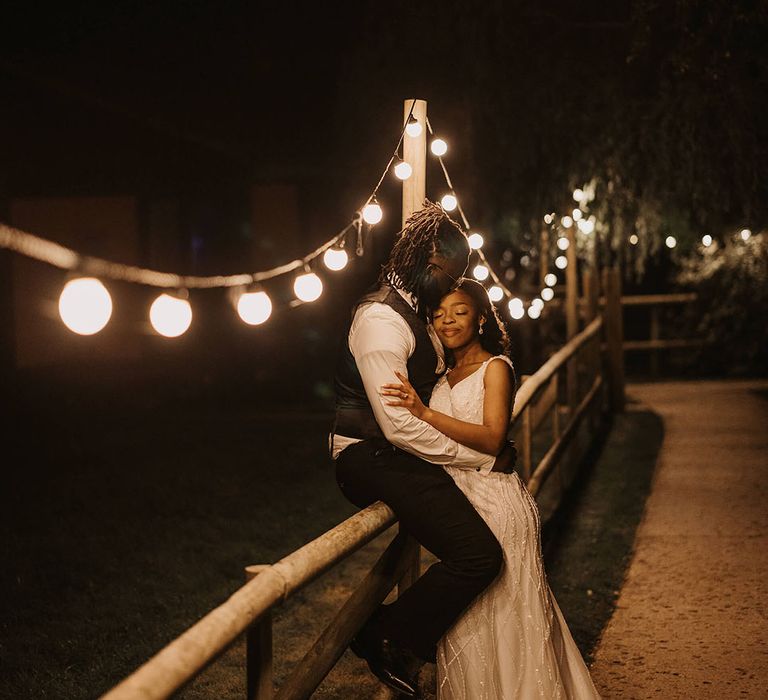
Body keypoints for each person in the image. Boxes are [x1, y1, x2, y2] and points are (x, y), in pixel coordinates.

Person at [381, 278, 602, 699]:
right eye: (440, 313)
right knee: (467, 619)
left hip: (496, 504)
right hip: (459, 504)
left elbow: (491, 438)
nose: (448, 320)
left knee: (506, 616)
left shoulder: (495, 367)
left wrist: (424, 412)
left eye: (460, 311)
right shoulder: (441, 376)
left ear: (480, 318)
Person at [331, 201, 516, 697]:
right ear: (425, 261)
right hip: (367, 455)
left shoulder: (415, 312)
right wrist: (483, 456)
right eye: (447, 272)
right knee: (477, 556)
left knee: (479, 551)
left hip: (399, 454)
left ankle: (402, 637)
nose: (449, 284)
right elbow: (397, 427)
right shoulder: (381, 322)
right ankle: (384, 633)